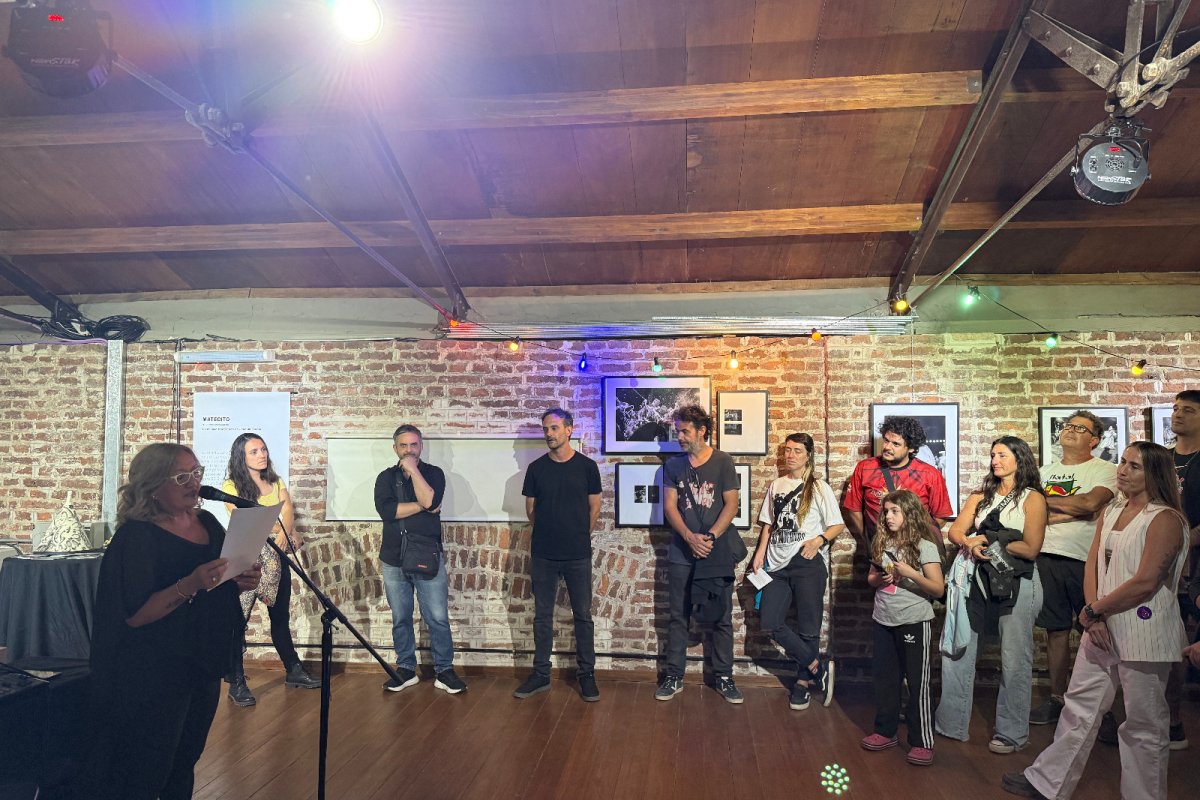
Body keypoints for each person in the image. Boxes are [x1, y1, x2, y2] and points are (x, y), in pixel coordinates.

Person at [1002, 442, 1190, 800]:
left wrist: (1095, 610)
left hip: (1145, 630)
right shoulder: (1113, 509)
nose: (1122, 470)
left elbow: (1147, 581)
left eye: (1134, 466)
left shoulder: (1165, 518)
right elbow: (1093, 564)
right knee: (1078, 708)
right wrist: (1093, 614)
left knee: (1144, 725)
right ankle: (1048, 783)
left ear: (1155, 474)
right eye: (1122, 462)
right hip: (1101, 626)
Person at [81, 443, 260, 799]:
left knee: (184, 762)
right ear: (152, 486)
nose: (194, 483)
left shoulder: (208, 524)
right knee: (149, 767)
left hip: (201, 661)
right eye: (181, 477)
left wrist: (239, 580)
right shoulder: (136, 537)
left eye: (196, 473)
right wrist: (190, 583)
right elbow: (135, 615)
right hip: (154, 671)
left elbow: (217, 585)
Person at [936, 435, 1047, 754]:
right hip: (976, 580)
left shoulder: (1032, 498)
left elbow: (1031, 547)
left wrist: (989, 539)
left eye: (1002, 455)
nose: (995, 460)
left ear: (1019, 459)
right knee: (958, 648)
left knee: (1015, 658)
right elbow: (956, 531)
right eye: (993, 455)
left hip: (1018, 581)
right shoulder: (980, 496)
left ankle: (1011, 734)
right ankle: (951, 723)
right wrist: (970, 542)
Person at [1029, 412, 1117, 726]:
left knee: (1093, 630)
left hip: (1084, 559)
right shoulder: (1044, 471)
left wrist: (1044, 504)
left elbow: (1090, 504)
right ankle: (1057, 698)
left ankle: (1101, 706)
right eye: (1068, 425)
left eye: (1080, 428)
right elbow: (1028, 509)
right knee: (1055, 630)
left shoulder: (1104, 469)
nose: (1070, 430)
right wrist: (1070, 510)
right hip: (1045, 556)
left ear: (1094, 440)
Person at [222, 432, 320, 706]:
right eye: (254, 451)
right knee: (237, 621)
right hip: (245, 559)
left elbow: (287, 511)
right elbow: (246, 517)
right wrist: (284, 531)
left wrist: (285, 530)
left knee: (280, 617)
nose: (261, 455)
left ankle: (294, 670)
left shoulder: (276, 482)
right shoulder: (231, 486)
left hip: (276, 558)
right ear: (241, 457)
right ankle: (237, 681)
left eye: (263, 449)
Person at [514, 408, 603, 701]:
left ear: (569, 429)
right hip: (544, 553)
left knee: (583, 616)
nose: (549, 434)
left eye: (554, 428)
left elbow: (595, 507)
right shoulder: (536, 469)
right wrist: (549, 532)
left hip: (578, 553)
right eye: (545, 429)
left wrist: (578, 535)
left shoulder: (587, 467)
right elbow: (531, 510)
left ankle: (586, 675)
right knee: (542, 616)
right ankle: (541, 674)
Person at [657, 404, 744, 703]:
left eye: (685, 431)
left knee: (721, 616)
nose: (679, 437)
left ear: (702, 430)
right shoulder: (673, 466)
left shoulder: (722, 461)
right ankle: (674, 676)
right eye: (677, 431)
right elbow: (670, 506)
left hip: (716, 551)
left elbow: (732, 504)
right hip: (682, 551)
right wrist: (689, 537)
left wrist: (710, 537)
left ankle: (724, 676)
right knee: (678, 615)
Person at [751, 432, 844, 710]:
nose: (790, 455)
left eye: (797, 451)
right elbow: (769, 524)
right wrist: (760, 553)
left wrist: (818, 541)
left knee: (808, 627)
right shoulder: (776, 485)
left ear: (808, 456)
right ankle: (817, 667)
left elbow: (837, 524)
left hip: (806, 563)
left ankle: (802, 683)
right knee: (770, 622)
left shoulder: (818, 487)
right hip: (776, 564)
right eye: (788, 450)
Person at [373, 424, 466, 694]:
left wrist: (414, 471)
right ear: (395, 448)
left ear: (421, 446)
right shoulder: (385, 478)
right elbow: (388, 511)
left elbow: (430, 499)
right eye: (403, 445)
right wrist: (423, 506)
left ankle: (444, 670)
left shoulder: (434, 473)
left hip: (428, 555)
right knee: (401, 616)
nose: (409, 450)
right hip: (394, 558)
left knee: (437, 617)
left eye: (413, 445)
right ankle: (405, 669)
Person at [861, 490, 945, 766]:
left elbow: (938, 589)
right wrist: (880, 578)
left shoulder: (925, 546)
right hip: (883, 618)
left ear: (909, 513)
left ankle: (921, 742)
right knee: (885, 679)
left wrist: (911, 574)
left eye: (895, 511)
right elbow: (871, 579)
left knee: (918, 683)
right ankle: (885, 732)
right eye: (886, 511)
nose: (888, 516)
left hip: (914, 620)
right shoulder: (882, 541)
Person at [843, 416, 953, 545]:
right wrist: (869, 541)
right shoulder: (865, 468)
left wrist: (918, 539)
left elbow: (941, 516)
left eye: (896, 444)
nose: (887, 447)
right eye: (886, 440)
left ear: (911, 448)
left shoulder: (930, 474)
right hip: (878, 547)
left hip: (915, 548)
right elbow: (854, 509)